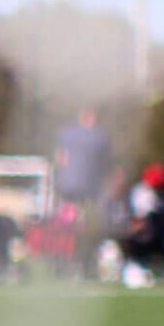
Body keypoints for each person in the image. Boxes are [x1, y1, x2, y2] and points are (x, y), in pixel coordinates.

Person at [52, 108, 113, 279]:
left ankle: (64, 261)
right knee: (87, 226)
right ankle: (82, 261)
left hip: (67, 188)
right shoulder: (100, 136)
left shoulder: (66, 134)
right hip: (88, 190)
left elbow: (59, 159)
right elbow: (105, 163)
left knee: (66, 225)